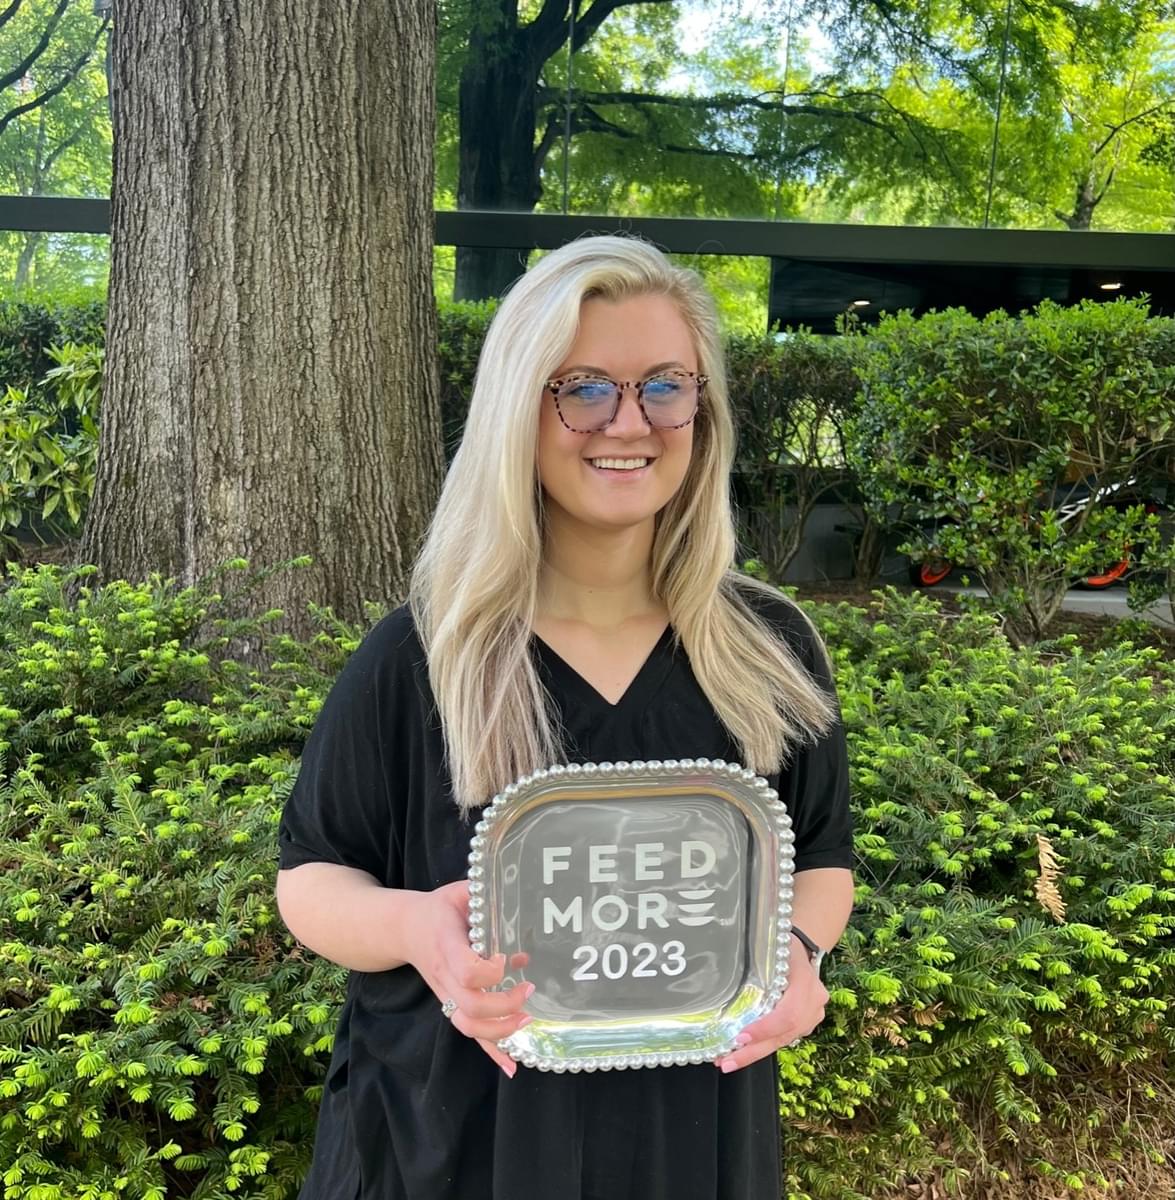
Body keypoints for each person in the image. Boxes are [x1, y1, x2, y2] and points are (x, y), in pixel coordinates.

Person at [274, 233, 855, 1200]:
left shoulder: (768, 651)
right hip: (450, 1140)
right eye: (582, 387)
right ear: (518, 410)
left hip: (690, 1136)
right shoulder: (423, 655)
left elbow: (821, 859)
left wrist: (798, 959)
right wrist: (420, 930)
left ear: (700, 413)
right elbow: (311, 879)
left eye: (665, 385)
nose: (628, 421)